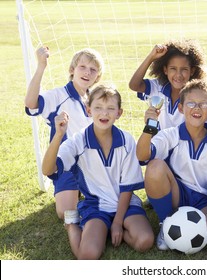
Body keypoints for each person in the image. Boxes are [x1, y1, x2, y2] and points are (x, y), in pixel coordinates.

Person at [42, 85, 154, 259]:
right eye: (98, 108)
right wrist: (58, 135)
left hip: (126, 203)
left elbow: (127, 187)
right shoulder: (78, 141)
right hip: (96, 206)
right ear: (88, 110)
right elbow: (48, 169)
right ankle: (72, 225)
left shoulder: (126, 141)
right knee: (88, 255)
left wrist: (117, 222)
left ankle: (110, 230)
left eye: (111, 108)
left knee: (145, 241)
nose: (104, 113)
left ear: (119, 113)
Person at [136, 79, 207, 250]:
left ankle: (195, 225)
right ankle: (166, 223)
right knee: (155, 167)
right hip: (176, 193)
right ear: (181, 109)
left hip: (202, 199)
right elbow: (142, 155)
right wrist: (149, 127)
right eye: (190, 103)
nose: (196, 108)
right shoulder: (171, 135)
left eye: (203, 104)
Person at [25, 46, 105, 220]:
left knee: (112, 199)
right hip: (67, 165)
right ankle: (78, 192)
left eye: (93, 70)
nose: (87, 73)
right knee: (65, 213)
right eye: (82, 67)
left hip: (94, 163)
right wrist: (41, 66)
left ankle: (90, 191)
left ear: (97, 76)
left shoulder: (96, 99)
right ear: (72, 70)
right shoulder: (58, 95)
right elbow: (31, 104)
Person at [129, 39, 205, 130]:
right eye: (173, 68)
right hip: (158, 142)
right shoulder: (157, 87)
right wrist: (151, 58)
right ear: (165, 70)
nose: (178, 75)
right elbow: (134, 85)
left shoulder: (198, 95)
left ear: (192, 71)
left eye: (184, 69)